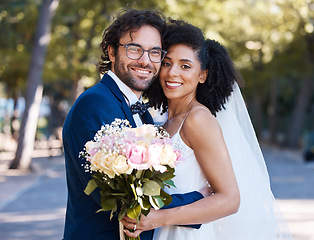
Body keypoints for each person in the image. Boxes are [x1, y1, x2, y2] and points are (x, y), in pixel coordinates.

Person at [122, 20, 294, 239]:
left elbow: (230, 200)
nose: (172, 73)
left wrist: (160, 217)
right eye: (167, 63)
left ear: (202, 75)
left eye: (185, 66)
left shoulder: (198, 120)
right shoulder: (164, 123)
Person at [62, 9, 205, 240]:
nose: (145, 60)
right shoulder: (95, 104)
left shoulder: (142, 112)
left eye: (155, 52)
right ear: (111, 51)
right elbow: (119, 199)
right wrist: (199, 200)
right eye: (134, 49)